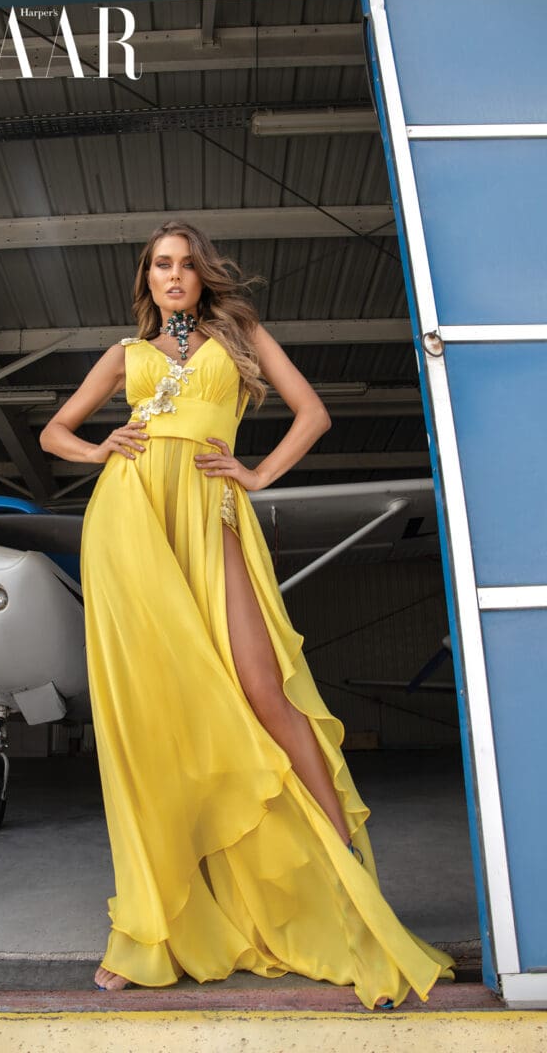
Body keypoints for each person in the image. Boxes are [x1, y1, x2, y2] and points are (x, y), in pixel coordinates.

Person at [39, 221, 454, 1008]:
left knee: (266, 691)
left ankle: (344, 872)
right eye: (161, 266)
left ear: (202, 278)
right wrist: (100, 452)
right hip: (130, 525)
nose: (173, 277)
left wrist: (257, 473)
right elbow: (54, 432)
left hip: (209, 511)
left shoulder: (238, 337)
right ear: (147, 280)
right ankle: (152, 927)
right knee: (153, 724)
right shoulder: (125, 357)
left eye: (186, 266)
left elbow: (312, 413)